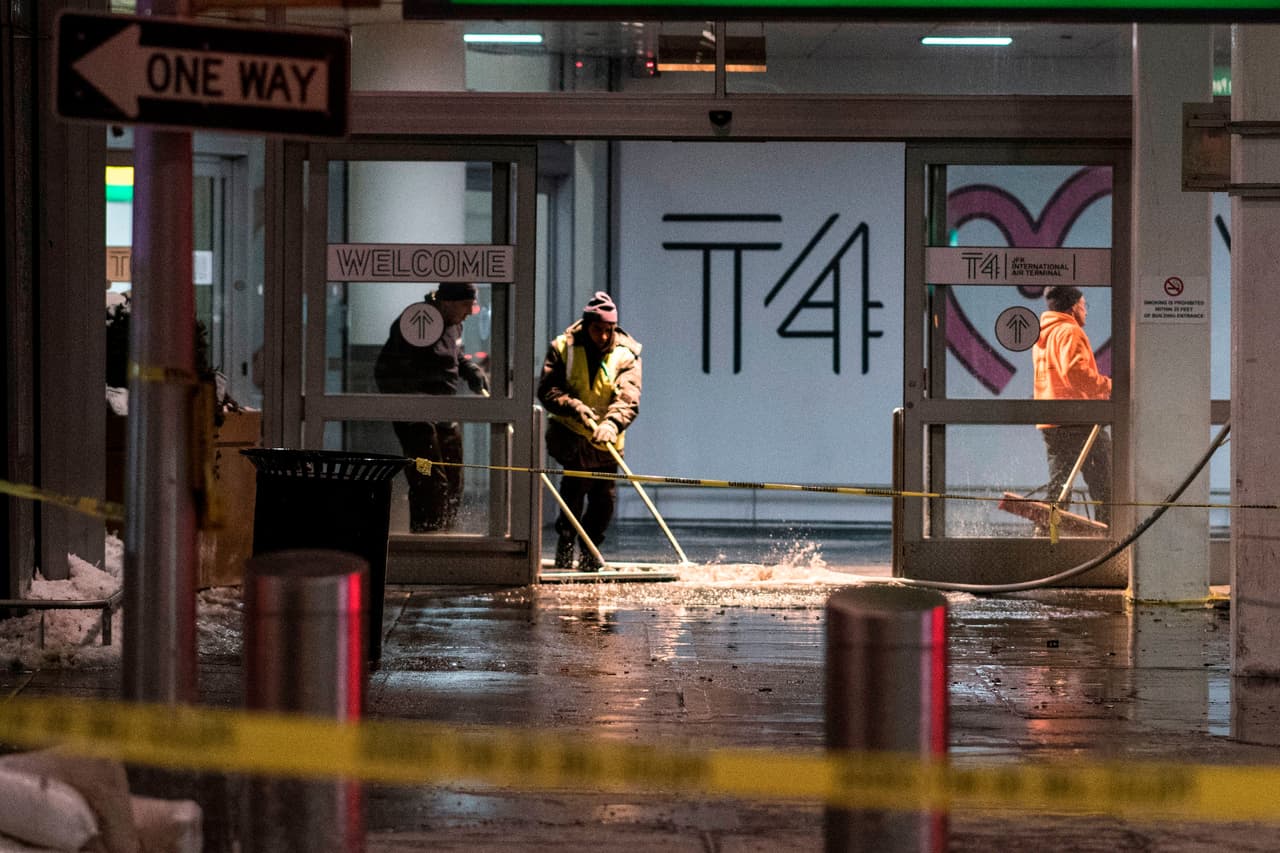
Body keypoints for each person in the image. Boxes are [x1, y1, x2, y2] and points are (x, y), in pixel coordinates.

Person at [537, 291, 642, 570]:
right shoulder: (564, 347)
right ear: (586, 325)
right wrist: (574, 407)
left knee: (603, 501)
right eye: (598, 329)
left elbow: (628, 397)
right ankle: (566, 541)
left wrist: (611, 423)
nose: (604, 337)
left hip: (607, 439)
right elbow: (548, 390)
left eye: (609, 330)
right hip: (570, 434)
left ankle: (590, 554)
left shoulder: (626, 354)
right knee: (573, 490)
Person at [374, 282, 488, 532]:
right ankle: (427, 535)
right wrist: (413, 407)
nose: (470, 312)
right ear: (447, 302)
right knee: (428, 476)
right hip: (417, 417)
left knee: (454, 476)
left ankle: (445, 532)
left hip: (444, 412)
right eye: (466, 305)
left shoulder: (452, 323)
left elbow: (451, 353)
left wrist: (468, 368)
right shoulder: (417, 321)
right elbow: (386, 369)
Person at [1032, 285, 1112, 527]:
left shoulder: (1044, 335)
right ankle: (1109, 536)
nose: (1086, 311)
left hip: (1052, 419)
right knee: (1107, 483)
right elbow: (1076, 374)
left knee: (1060, 483)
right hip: (1079, 419)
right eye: (1084, 306)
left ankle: (1046, 533)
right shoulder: (1070, 331)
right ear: (1075, 306)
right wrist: (1108, 386)